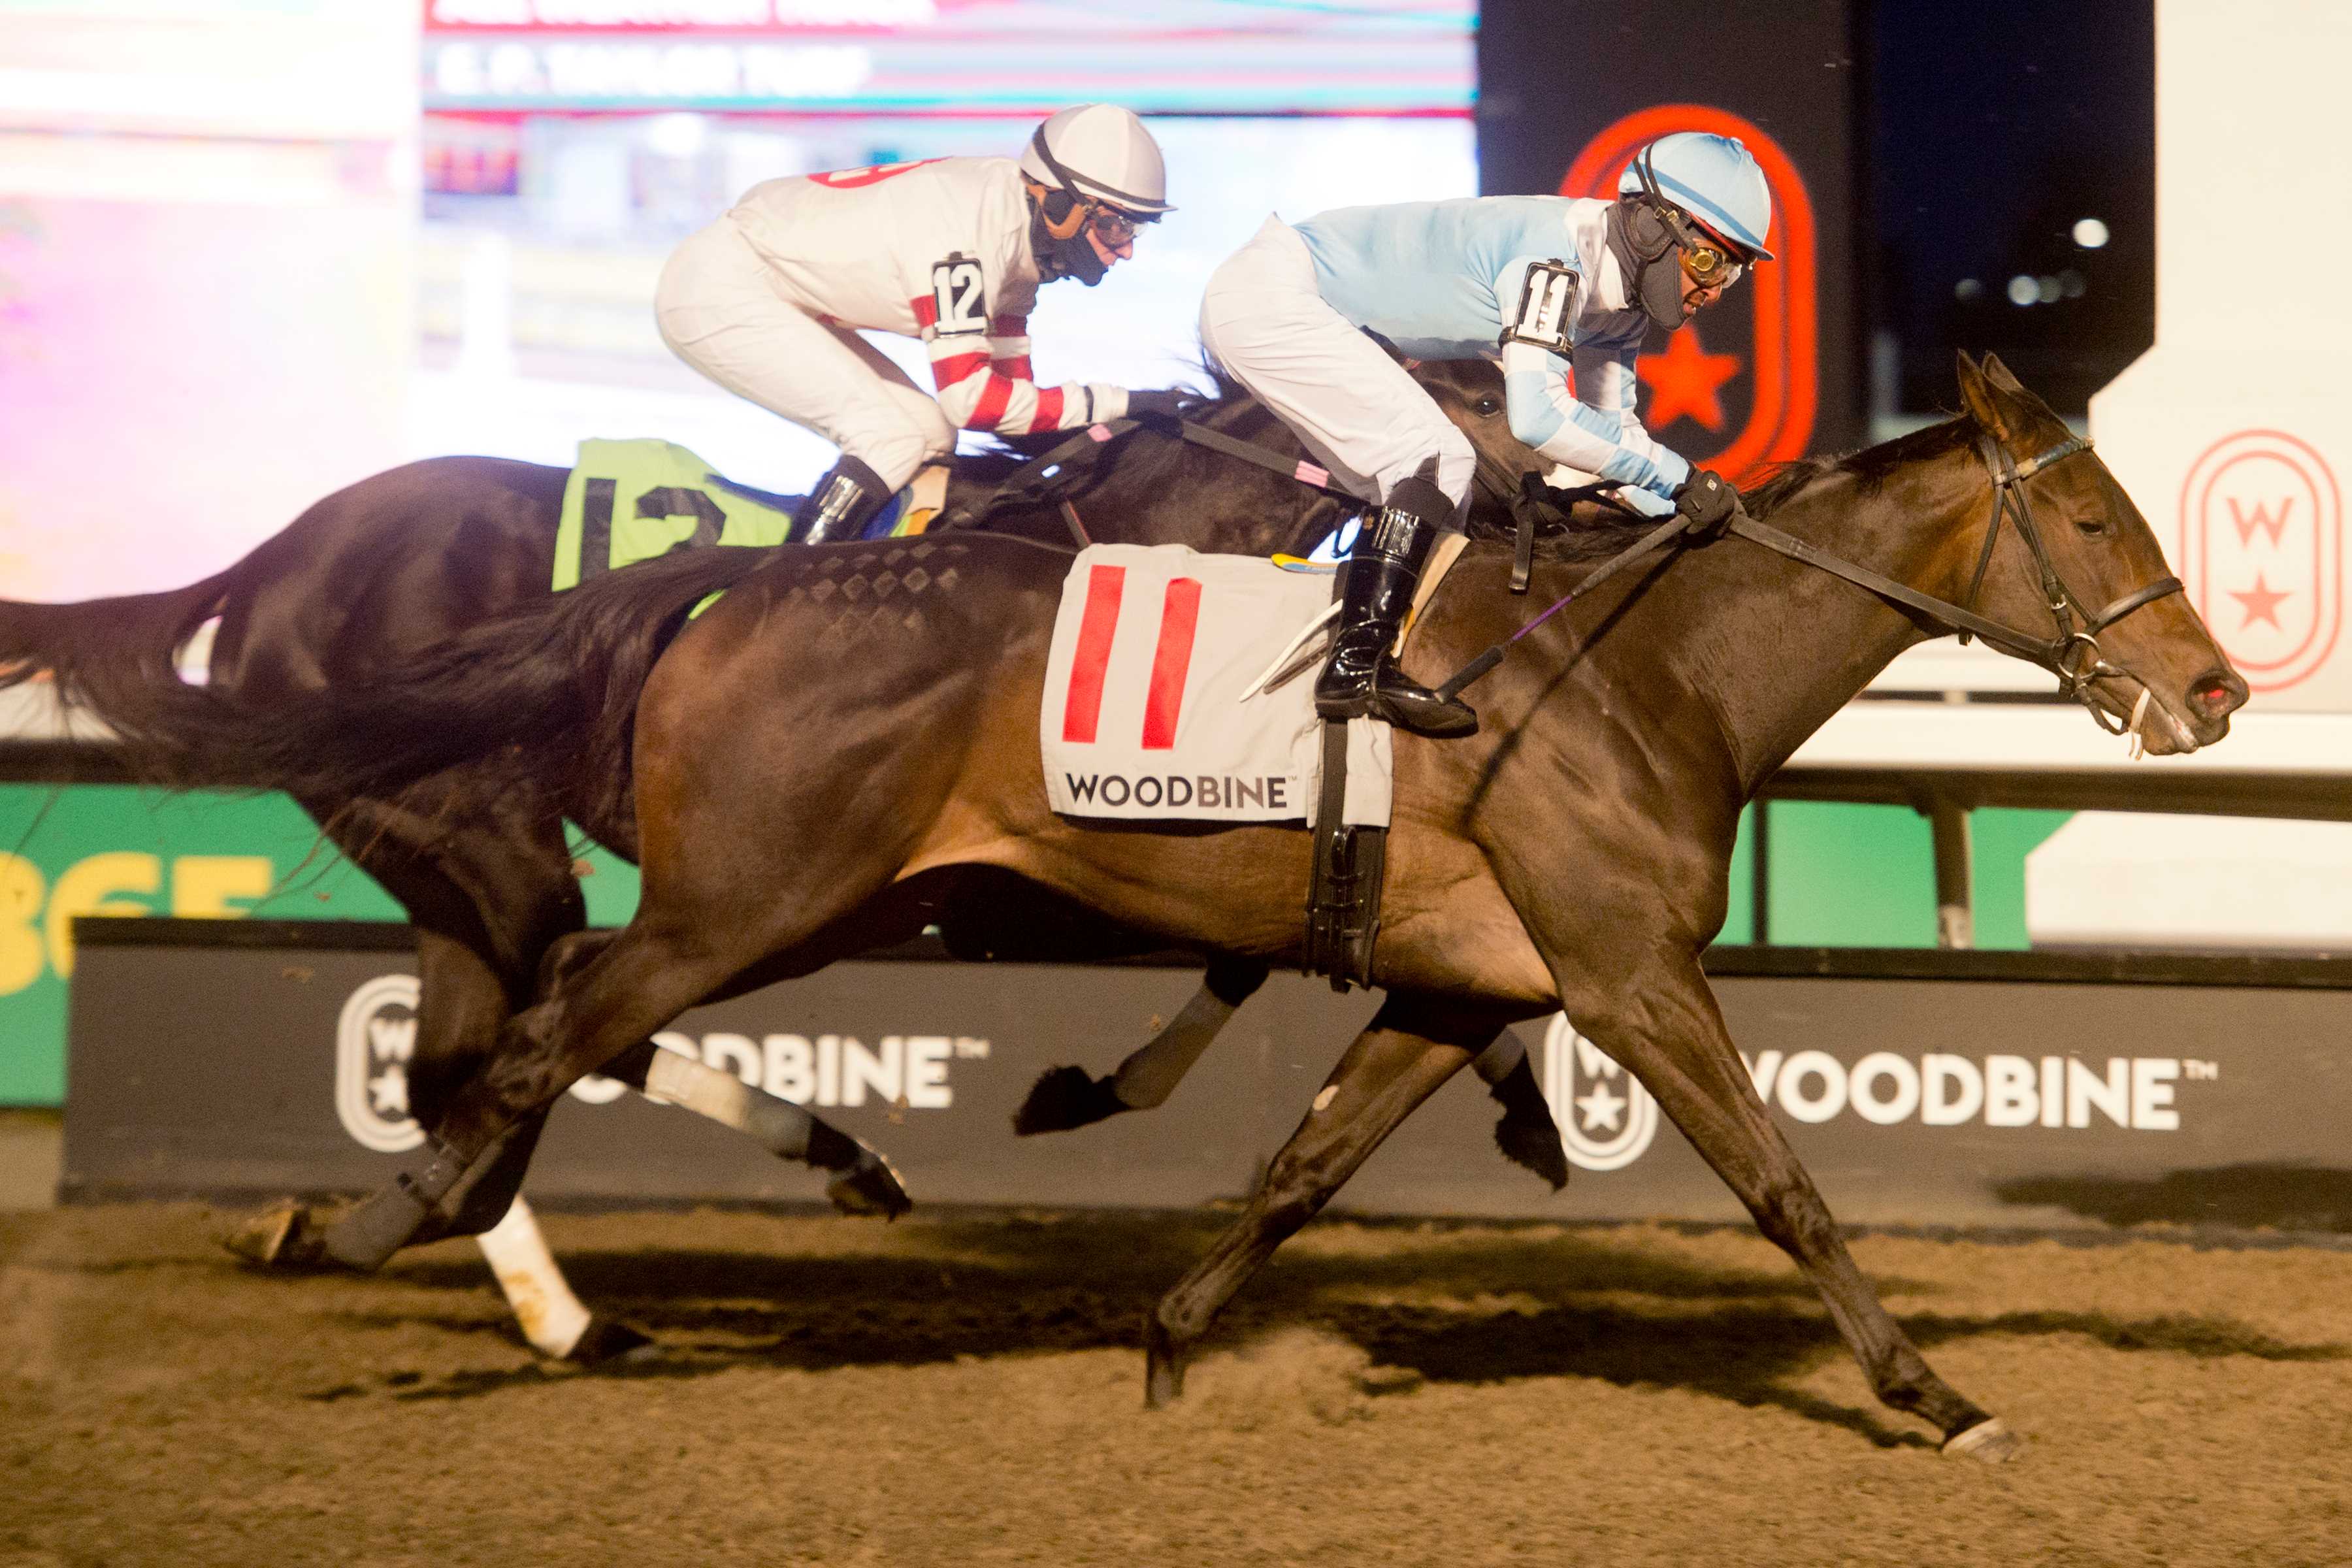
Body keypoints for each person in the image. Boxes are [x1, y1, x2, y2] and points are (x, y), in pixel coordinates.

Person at [1198, 131, 1772, 738]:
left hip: (1290, 301)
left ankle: (1366, 655)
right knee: (1435, 456)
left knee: (1445, 491)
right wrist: (1676, 476)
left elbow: (1615, 439)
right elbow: (1539, 418)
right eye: (1709, 262)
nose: (1713, 291)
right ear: (1655, 230)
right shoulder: (1554, 259)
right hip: (1270, 296)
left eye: (1732, 274)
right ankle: (1353, 668)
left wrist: (1693, 509)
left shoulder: (1620, 300)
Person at [656, 103, 1187, 544]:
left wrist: (1116, 419)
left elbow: (1009, 402)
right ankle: (775, 599)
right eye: (1117, 226)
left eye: (1135, 231)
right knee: (889, 435)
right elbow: (975, 402)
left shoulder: (1016, 248)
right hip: (718, 288)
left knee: (931, 434)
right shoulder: (968, 237)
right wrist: (1118, 401)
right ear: (1061, 203)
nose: (1126, 251)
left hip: (764, 284)